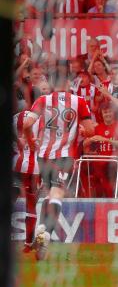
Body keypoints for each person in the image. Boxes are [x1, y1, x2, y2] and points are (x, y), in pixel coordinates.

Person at [23, 90, 95, 260]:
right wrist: (84, 130)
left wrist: (30, 140)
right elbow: (90, 131)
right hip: (65, 156)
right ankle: (46, 233)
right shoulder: (79, 101)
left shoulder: (42, 99)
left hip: (44, 156)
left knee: (49, 193)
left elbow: (26, 125)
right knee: (57, 193)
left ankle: (41, 230)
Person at [82, 102, 118, 197]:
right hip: (99, 163)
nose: (108, 114)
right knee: (90, 167)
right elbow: (85, 146)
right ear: (102, 114)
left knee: (107, 172)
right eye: (105, 112)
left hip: (114, 162)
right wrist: (90, 140)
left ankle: (111, 197)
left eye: (109, 112)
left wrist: (106, 140)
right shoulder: (97, 128)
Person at [13, 110, 41, 254]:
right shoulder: (41, 118)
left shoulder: (14, 118)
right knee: (31, 205)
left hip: (15, 166)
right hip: (33, 169)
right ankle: (28, 244)